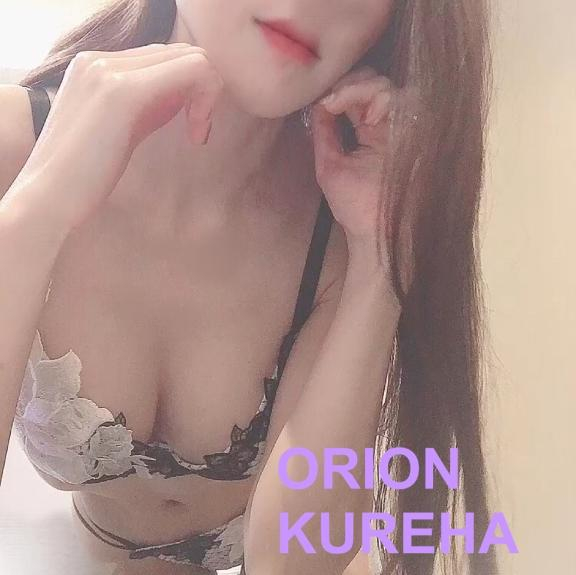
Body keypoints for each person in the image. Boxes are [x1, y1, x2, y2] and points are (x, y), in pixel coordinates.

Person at [0, 0, 497, 574]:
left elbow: (294, 564)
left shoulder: (345, 213)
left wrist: (381, 264)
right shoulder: (16, 146)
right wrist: (36, 213)